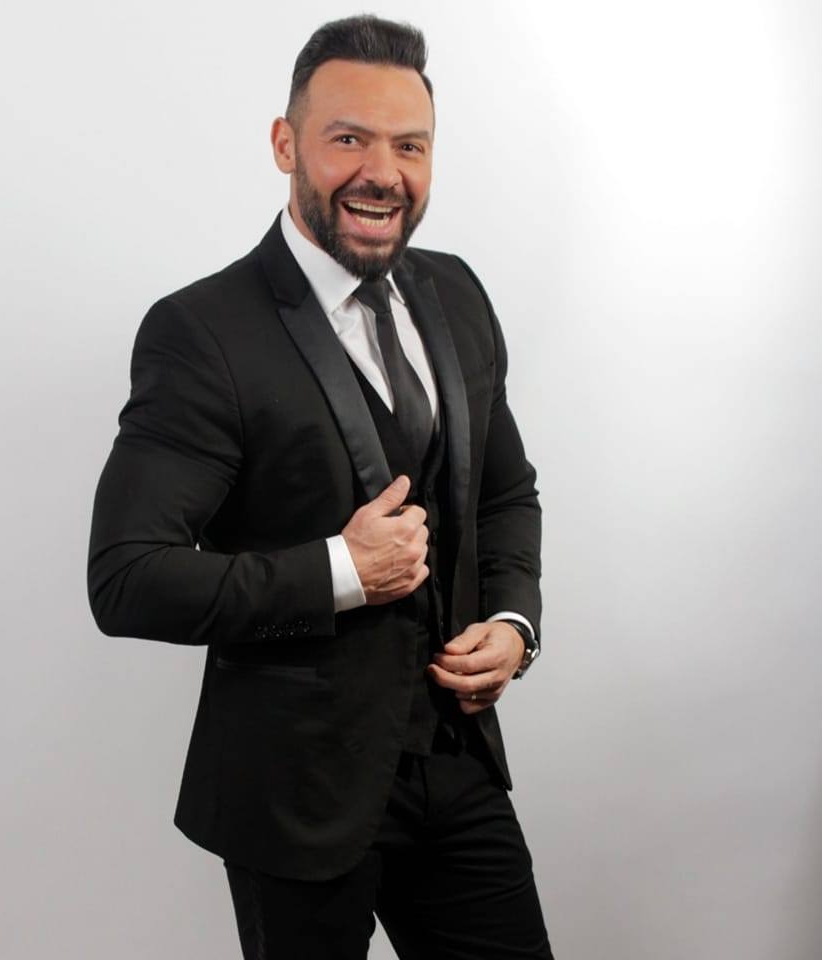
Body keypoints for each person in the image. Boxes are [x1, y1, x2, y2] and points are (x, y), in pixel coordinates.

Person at [88, 14, 554, 959]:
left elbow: (505, 495)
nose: (382, 172)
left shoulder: (457, 293)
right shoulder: (202, 332)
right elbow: (126, 577)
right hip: (291, 793)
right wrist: (344, 569)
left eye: (409, 145)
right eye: (348, 139)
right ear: (285, 144)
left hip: (455, 762)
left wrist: (513, 623)